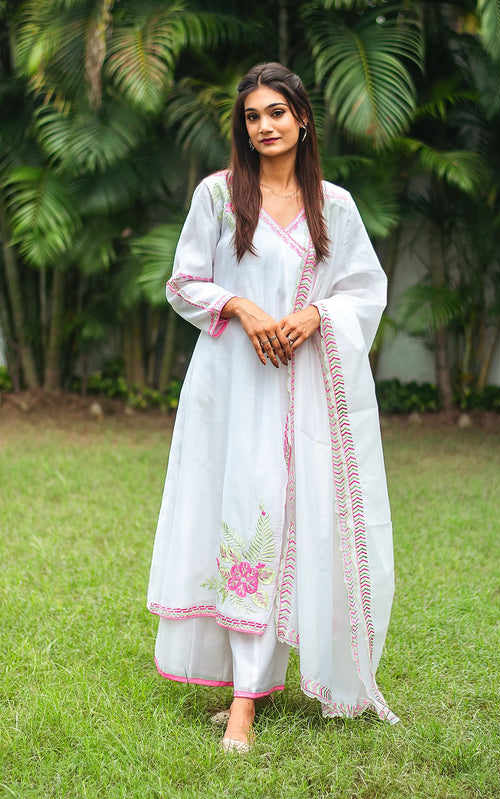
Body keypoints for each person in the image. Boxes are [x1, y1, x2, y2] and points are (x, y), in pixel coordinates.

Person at [147, 62, 398, 753]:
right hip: (230, 387)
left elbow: (364, 290)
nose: (264, 126)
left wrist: (316, 314)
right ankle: (241, 698)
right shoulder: (219, 196)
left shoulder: (334, 206)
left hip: (304, 391)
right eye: (253, 116)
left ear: (302, 119)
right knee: (241, 521)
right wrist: (242, 306)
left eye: (276, 113)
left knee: (292, 522)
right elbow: (183, 281)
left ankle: (268, 680)